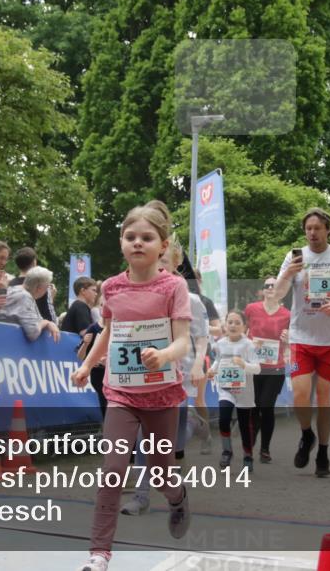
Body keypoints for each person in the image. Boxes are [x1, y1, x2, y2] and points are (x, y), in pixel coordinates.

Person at [70, 203, 192, 571]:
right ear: (122, 242)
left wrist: (164, 354)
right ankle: (99, 553)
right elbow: (109, 331)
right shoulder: (111, 287)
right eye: (130, 237)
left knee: (160, 473)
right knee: (112, 470)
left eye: (147, 238)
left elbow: (184, 341)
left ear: (162, 245)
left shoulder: (174, 286)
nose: (138, 243)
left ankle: (177, 496)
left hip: (161, 393)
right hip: (120, 391)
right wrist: (88, 364)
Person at [120, 232, 208, 517]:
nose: (158, 267)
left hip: (179, 377)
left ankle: (193, 424)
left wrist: (197, 366)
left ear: (175, 264)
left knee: (172, 444)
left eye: (165, 262)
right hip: (147, 377)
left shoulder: (189, 297)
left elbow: (201, 336)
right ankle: (141, 495)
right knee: (147, 438)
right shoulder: (138, 294)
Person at [271, 207, 330, 477]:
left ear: (328, 230)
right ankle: (306, 435)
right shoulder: (294, 257)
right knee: (299, 396)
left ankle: (323, 452)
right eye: (308, 229)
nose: (312, 233)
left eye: (317, 228)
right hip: (301, 336)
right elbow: (276, 296)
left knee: (324, 399)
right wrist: (288, 273)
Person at [244, 275, 290, 463]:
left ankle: (265, 448)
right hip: (254, 366)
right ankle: (251, 442)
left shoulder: (287, 314)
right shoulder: (251, 309)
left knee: (266, 406)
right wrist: (246, 342)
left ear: (280, 290)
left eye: (274, 285)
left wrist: (288, 339)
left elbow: (290, 343)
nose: (270, 288)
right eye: (267, 285)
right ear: (262, 290)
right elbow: (243, 331)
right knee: (254, 407)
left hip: (275, 367)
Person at [208, 310, 261, 471]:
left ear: (245, 326)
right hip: (226, 389)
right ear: (225, 325)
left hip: (244, 392)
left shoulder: (248, 345)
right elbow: (218, 361)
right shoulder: (220, 344)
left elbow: (257, 368)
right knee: (223, 419)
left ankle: (247, 455)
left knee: (244, 425)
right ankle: (227, 451)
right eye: (230, 322)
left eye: (238, 323)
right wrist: (212, 370)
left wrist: (244, 365)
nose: (233, 325)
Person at [62, 277, 105, 413]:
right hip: (95, 369)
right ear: (82, 291)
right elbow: (84, 333)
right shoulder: (80, 306)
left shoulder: (80, 307)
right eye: (93, 290)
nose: (95, 294)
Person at [0, 267, 61, 343]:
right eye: (46, 288)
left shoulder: (15, 289)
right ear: (39, 288)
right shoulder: (24, 297)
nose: (46, 292)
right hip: (4, 341)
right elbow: (33, 333)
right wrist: (46, 322)